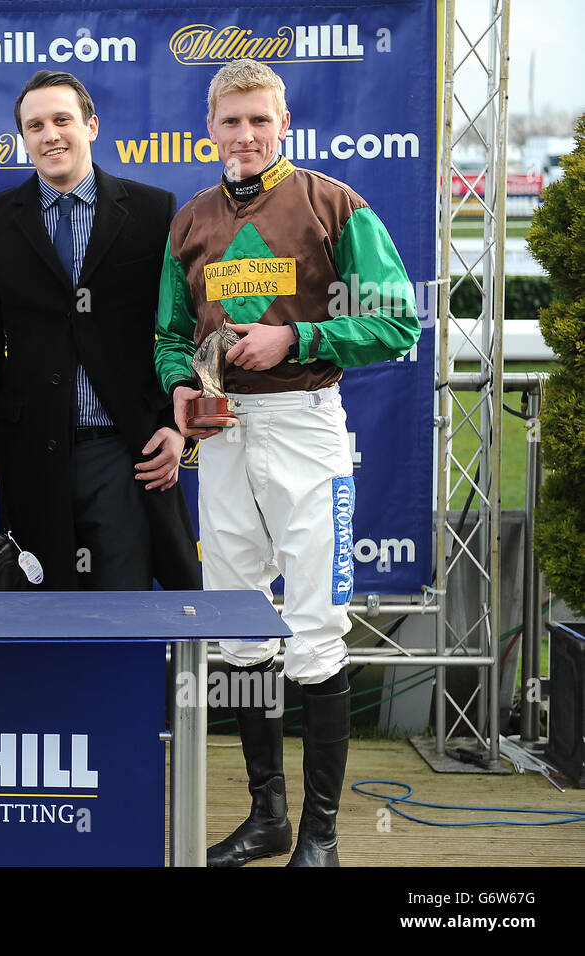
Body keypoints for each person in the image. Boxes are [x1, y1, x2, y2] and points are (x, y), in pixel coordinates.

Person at [155, 59, 420, 867]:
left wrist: (297, 338)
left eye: (258, 121)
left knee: (312, 632)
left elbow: (397, 321)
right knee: (240, 634)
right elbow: (170, 334)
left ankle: (323, 836)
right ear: (210, 129)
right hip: (226, 435)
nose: (245, 136)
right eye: (230, 122)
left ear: (283, 123)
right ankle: (267, 817)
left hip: (307, 427)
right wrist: (178, 388)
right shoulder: (192, 220)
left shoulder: (332, 203)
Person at [0, 71, 201, 591]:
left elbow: (181, 327)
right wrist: (0, 441)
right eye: (35, 125)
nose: (50, 134)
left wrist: (175, 425)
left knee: (122, 612)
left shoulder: (152, 210)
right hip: (31, 457)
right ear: (22, 139)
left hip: (125, 452)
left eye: (62, 120)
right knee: (41, 619)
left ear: (91, 126)